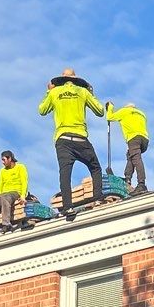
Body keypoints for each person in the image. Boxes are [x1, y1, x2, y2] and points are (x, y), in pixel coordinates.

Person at [38, 67, 104, 220]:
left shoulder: (55, 92)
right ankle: (98, 198)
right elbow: (100, 111)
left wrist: (49, 92)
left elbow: (42, 110)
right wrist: (91, 93)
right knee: (95, 168)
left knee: (65, 174)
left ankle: (67, 207)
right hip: (80, 137)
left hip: (63, 139)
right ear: (75, 79)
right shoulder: (83, 92)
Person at [105, 100, 150, 193]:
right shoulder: (141, 113)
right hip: (144, 139)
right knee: (131, 155)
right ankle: (127, 178)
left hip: (133, 138)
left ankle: (141, 184)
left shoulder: (124, 111)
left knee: (136, 159)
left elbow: (109, 117)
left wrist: (110, 107)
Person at [0, 149, 29, 235]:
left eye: (4, 159)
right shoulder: (2, 171)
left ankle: (6, 224)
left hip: (15, 192)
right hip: (3, 195)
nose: (2, 162)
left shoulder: (20, 167)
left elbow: (24, 181)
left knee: (6, 197)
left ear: (10, 158)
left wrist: (23, 196)